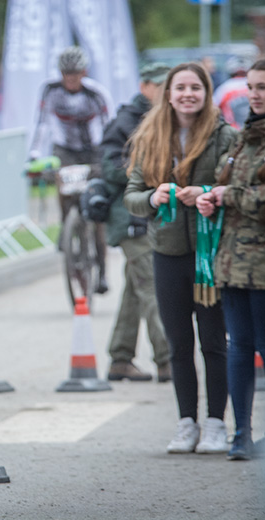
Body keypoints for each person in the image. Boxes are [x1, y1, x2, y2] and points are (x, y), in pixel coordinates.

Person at [123, 62, 237, 455]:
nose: (188, 94)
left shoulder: (225, 135)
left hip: (210, 254)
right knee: (178, 344)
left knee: (214, 342)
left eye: (195, 88)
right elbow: (132, 197)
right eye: (181, 87)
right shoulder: (150, 135)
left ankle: (217, 423)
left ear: (207, 93)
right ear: (168, 94)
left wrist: (207, 193)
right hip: (166, 253)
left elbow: (235, 188)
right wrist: (153, 197)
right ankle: (186, 422)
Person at [197, 58, 265, 461]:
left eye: (263, 88)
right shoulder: (244, 137)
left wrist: (230, 196)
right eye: (252, 87)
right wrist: (212, 199)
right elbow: (228, 185)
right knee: (238, 347)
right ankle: (242, 434)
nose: (255, 95)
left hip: (261, 265)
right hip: (233, 262)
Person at [101, 63, 172, 383]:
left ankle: (120, 358)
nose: (165, 92)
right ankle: (169, 361)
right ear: (144, 86)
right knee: (153, 288)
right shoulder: (126, 121)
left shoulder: (167, 117)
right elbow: (109, 167)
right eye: (160, 85)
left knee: (135, 288)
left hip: (151, 217)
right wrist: (150, 170)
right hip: (129, 217)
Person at [29, 45, 114, 294]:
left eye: (75, 73)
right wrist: (34, 155)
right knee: (62, 183)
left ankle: (102, 272)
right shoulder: (50, 90)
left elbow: (108, 126)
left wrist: (109, 157)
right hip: (64, 148)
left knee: (95, 205)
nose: (71, 78)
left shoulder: (95, 93)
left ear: (83, 72)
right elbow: (41, 123)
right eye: (66, 73)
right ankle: (66, 225)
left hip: (93, 150)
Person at [213, 55, 254, 130]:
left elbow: (213, 108)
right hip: (253, 128)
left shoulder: (224, 88)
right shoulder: (255, 85)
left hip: (232, 130)